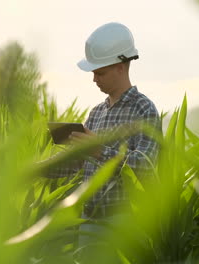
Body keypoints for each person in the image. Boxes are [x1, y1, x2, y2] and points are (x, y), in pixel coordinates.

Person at [44, 22, 161, 262]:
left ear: (119, 67)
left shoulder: (143, 108)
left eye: (100, 72)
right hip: (88, 221)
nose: (94, 79)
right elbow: (78, 163)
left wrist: (100, 151)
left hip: (123, 224)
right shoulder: (97, 112)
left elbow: (146, 166)